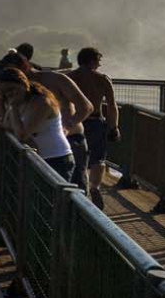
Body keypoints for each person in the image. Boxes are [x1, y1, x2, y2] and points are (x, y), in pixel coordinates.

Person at [2, 51, 93, 187]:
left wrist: (67, 126)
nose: (13, 77)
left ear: (25, 66)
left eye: (15, 72)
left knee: (76, 190)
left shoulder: (55, 79)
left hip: (71, 141)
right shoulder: (21, 90)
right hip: (41, 150)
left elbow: (86, 107)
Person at [0, 67, 75, 180]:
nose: (10, 93)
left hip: (56, 159)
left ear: (23, 83)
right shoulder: (19, 101)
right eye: (5, 92)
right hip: (37, 159)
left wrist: (12, 107)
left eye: (12, 88)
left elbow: (21, 134)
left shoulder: (41, 102)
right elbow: (6, 123)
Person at [68, 47, 118, 208]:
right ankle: (95, 187)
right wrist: (114, 127)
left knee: (77, 158)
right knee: (98, 158)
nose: (100, 64)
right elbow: (111, 105)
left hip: (75, 122)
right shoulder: (102, 79)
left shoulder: (70, 78)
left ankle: (77, 189)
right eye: (98, 61)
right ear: (91, 61)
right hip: (96, 121)